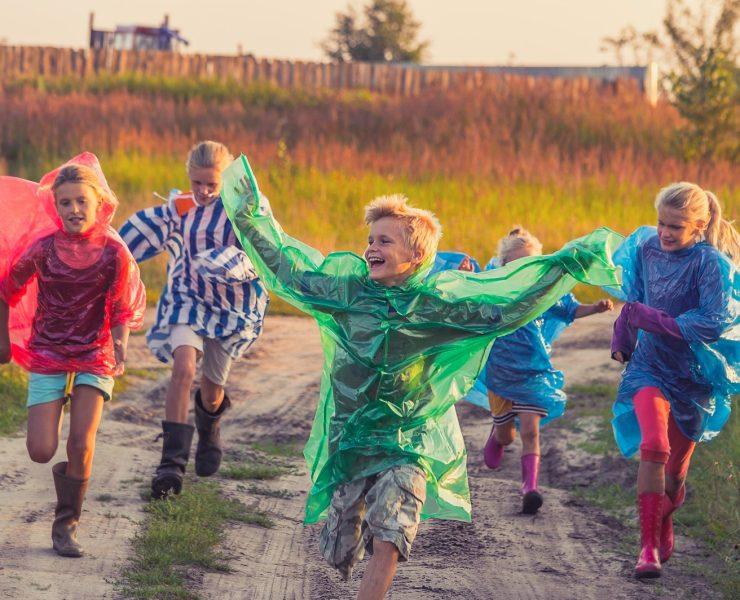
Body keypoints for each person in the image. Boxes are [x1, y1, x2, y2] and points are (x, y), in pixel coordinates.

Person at [220, 153, 622, 599]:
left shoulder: (434, 307)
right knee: (337, 551)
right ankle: (354, 520)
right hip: (351, 437)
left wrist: (564, 267)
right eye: (370, 239)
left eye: (385, 241)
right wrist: (249, 215)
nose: (371, 248)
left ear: (416, 257)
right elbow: (288, 269)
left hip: (408, 439)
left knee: (392, 534)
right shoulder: (348, 292)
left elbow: (503, 309)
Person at [0, 154, 146, 557]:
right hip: (48, 349)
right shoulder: (43, 249)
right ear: (55, 207)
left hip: (95, 353)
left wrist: (121, 344)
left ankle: (66, 524)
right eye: (65, 202)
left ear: (99, 203)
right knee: (40, 450)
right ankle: (58, 416)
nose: (74, 209)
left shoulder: (114, 254)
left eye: (82, 200)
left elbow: (121, 307)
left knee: (81, 442)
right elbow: (6, 287)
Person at [119, 141, 269, 499]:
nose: (202, 191)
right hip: (187, 298)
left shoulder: (242, 211)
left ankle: (210, 426)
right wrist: (107, 256)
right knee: (183, 368)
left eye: (210, 185)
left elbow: (262, 252)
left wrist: (229, 263)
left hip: (229, 307)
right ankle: (170, 465)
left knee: (211, 389)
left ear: (224, 181)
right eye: (197, 183)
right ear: (189, 176)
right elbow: (137, 237)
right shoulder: (180, 209)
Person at [609, 182, 738, 579]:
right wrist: (624, 336)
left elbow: (714, 322)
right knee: (653, 445)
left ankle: (665, 517)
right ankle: (646, 548)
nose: (664, 232)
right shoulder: (646, 248)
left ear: (698, 226)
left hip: (694, 376)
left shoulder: (709, 263)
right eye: (661, 222)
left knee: (676, 475)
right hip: (648, 367)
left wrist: (660, 322)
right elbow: (634, 300)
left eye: (676, 227)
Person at [465, 227, 613, 514]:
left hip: (534, 374)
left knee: (531, 433)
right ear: (504, 265)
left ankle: (529, 488)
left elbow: (569, 310)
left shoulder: (544, 293)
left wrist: (594, 308)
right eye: (518, 264)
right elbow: (468, 297)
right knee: (507, 436)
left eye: (531, 264)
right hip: (501, 375)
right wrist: (467, 273)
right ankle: (497, 435)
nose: (525, 270)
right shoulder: (495, 289)